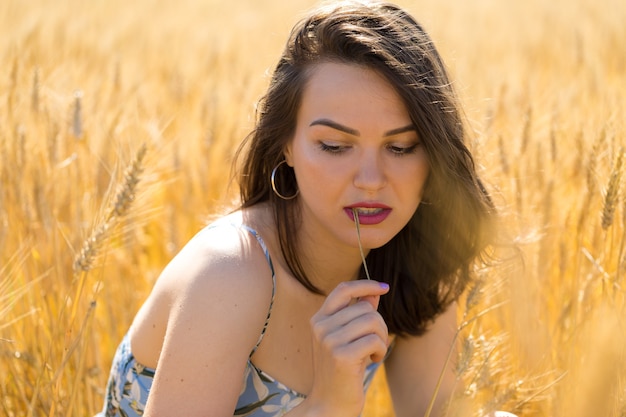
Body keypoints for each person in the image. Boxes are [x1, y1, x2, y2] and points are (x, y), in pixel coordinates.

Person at [96, 1, 500, 416]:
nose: (371, 179)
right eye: (335, 146)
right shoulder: (229, 272)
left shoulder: (415, 260)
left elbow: (435, 409)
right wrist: (328, 404)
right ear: (286, 145)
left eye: (401, 147)